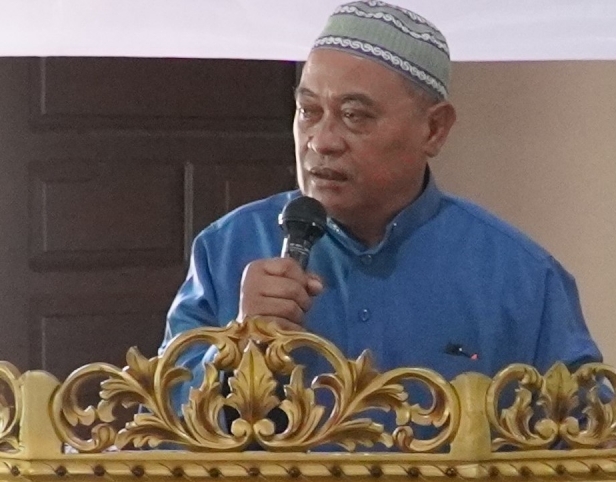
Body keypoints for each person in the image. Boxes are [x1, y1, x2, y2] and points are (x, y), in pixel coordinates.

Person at [161, 1, 602, 409]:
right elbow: (160, 427)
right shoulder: (226, 251)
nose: (322, 141)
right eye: (308, 111)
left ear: (434, 129)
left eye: (354, 116)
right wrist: (238, 344)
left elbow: (589, 439)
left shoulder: (521, 278)